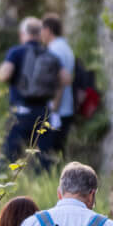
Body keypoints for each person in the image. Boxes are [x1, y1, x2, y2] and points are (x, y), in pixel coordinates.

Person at [0, 17, 60, 166]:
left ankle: (6, 184)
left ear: (22, 34)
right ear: (40, 34)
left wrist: (1, 72)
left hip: (20, 112)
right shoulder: (50, 54)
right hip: (44, 112)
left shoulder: (16, 52)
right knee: (44, 158)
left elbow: (5, 75)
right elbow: (64, 79)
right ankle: (44, 185)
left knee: (9, 156)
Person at [38, 14, 75, 160]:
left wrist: (54, 109)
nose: (41, 34)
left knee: (48, 154)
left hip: (57, 107)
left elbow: (59, 80)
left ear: (48, 30)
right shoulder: (65, 47)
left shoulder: (55, 50)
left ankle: (48, 180)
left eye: (42, 30)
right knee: (58, 151)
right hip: (66, 107)